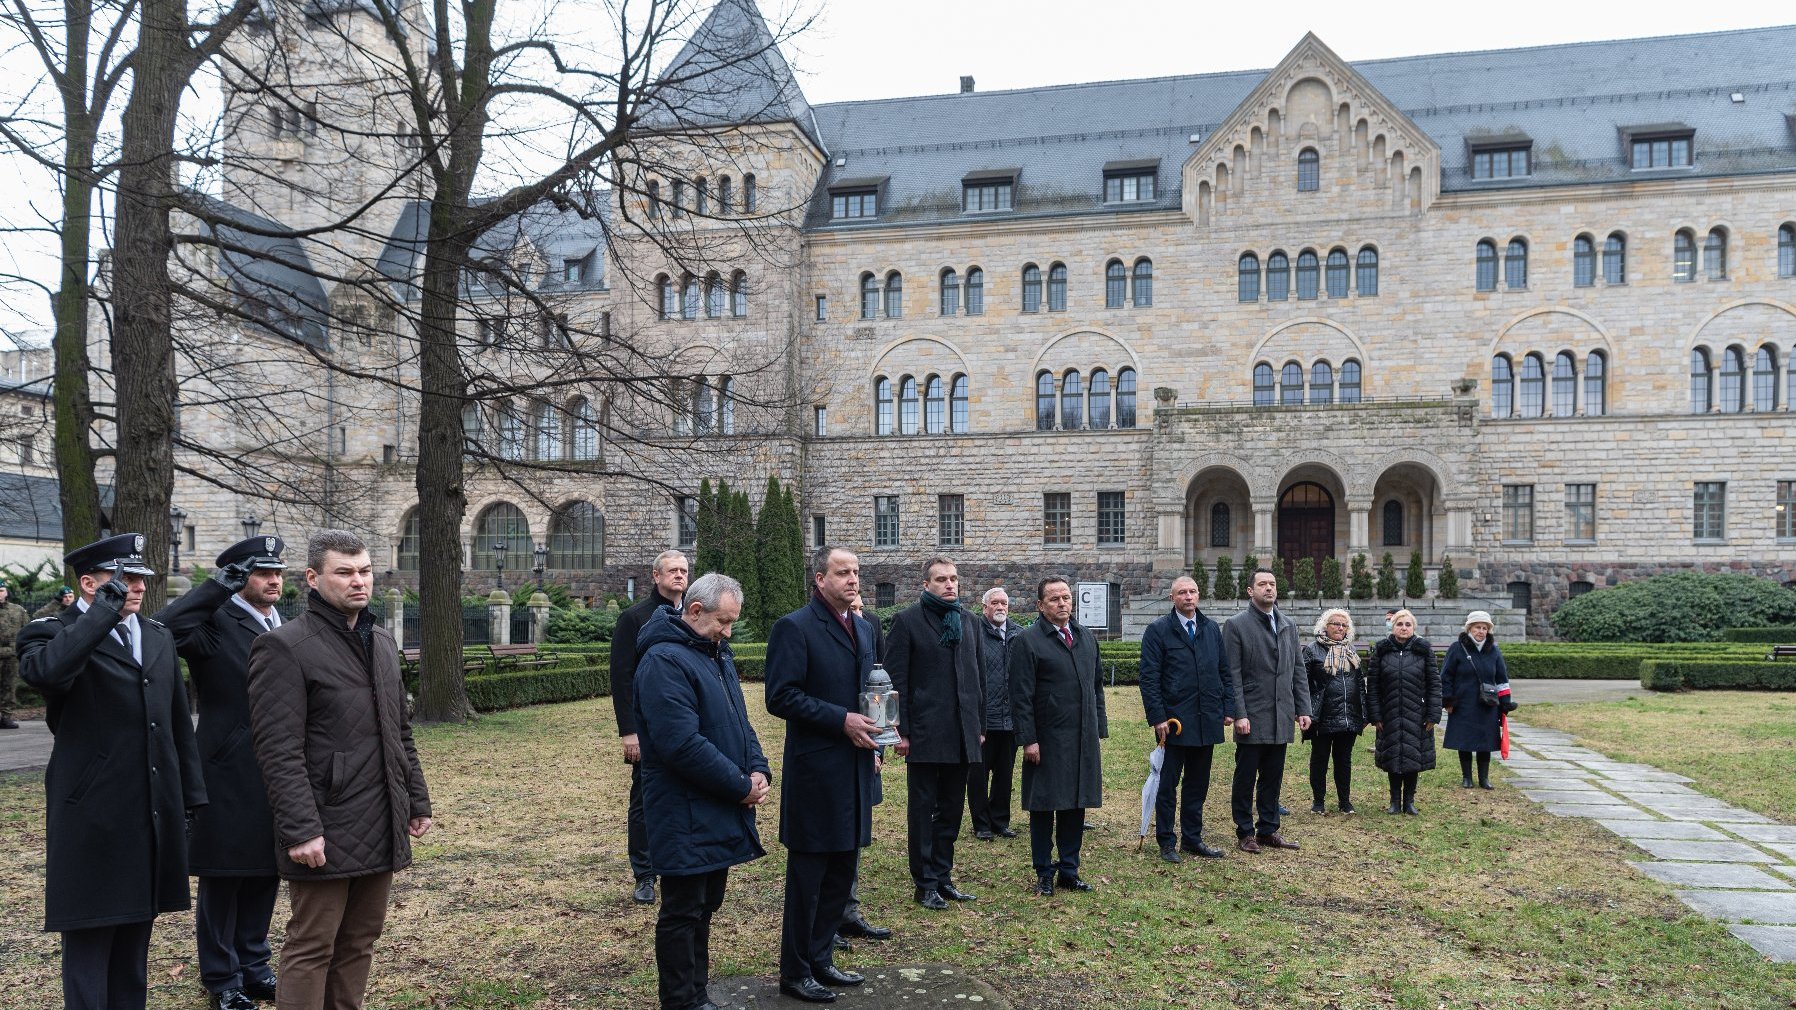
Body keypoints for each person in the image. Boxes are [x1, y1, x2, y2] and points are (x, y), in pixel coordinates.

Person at [18, 533, 207, 1010]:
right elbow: (47, 674)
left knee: (133, 939)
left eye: (141, 577)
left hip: (152, 806)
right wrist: (102, 613)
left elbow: (177, 724)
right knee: (90, 933)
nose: (136, 587)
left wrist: (191, 798)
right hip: (92, 807)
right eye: (122, 578)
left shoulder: (157, 635)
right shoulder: (49, 630)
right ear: (88, 583)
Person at [248, 530, 432, 1010]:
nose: (359, 582)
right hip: (323, 823)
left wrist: (416, 799)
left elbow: (400, 732)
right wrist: (301, 830)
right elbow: (277, 750)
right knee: (313, 944)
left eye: (365, 572)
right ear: (312, 578)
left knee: (360, 939)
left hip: (381, 814)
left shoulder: (384, 642)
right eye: (345, 572)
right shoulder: (284, 647)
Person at [155, 537, 289, 1010]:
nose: (274, 580)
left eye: (278, 571)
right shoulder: (214, 622)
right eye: (261, 573)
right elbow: (163, 630)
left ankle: (255, 967)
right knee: (224, 875)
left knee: (266, 869)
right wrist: (213, 590)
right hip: (226, 767)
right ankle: (222, 978)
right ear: (236, 577)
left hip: (278, 766)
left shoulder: (283, 623)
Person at [633, 573, 770, 1010]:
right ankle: (681, 1000)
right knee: (683, 909)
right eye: (723, 622)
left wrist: (758, 767)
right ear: (695, 611)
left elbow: (739, 722)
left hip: (717, 802)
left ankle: (698, 993)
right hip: (684, 808)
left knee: (706, 905)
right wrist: (739, 786)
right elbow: (680, 744)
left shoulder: (715, 653)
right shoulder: (664, 661)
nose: (728, 632)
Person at [764, 546, 879, 1004]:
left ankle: (821, 958)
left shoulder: (865, 627)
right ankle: (794, 971)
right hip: (816, 771)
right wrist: (841, 720)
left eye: (856, 572)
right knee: (809, 878)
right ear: (819, 578)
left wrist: (878, 732)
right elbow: (781, 696)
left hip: (856, 767)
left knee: (842, 870)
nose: (852, 580)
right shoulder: (795, 627)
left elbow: (873, 688)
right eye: (842, 573)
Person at [886, 558, 984, 910]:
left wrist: (979, 727)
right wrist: (902, 732)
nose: (950, 585)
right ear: (925, 584)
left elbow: (977, 678)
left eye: (954, 578)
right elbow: (897, 683)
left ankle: (943, 877)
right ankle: (924, 882)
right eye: (941, 579)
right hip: (925, 734)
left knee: (952, 810)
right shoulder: (907, 621)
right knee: (924, 811)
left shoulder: (969, 621)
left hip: (961, 734)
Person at [1009, 576, 1107, 896]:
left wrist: (1099, 727)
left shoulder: (1086, 638)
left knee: (1074, 805)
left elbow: (1096, 688)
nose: (1062, 603)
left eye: (1066, 597)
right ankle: (1043, 872)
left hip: (1081, 737)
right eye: (1054, 599)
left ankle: (1069, 869)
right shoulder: (1028, 641)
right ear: (1040, 605)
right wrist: (1028, 739)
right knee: (1044, 806)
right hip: (1047, 740)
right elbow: (1020, 696)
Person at [611, 550, 690, 905]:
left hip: (687, 725)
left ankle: (680, 863)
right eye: (672, 570)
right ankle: (644, 874)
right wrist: (629, 732)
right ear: (655, 576)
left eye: (684, 570)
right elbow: (621, 677)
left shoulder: (695, 614)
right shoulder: (635, 618)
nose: (679, 575)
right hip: (647, 728)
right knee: (643, 800)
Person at [1137, 575, 1233, 861]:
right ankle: (1166, 841)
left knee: (1197, 783)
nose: (1188, 597)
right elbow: (1149, 678)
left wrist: (1228, 709)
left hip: (1206, 719)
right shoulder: (1158, 631)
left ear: (1199, 596)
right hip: (1174, 723)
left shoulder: (1211, 629)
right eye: (1182, 592)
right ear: (1172, 598)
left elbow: (1224, 672)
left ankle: (1192, 838)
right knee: (1167, 784)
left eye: (1192, 592)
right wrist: (1158, 717)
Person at [1221, 568, 1311, 853]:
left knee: (1273, 777)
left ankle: (1268, 829)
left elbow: (1298, 669)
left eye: (1272, 584)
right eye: (1262, 584)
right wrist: (1239, 713)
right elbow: (1232, 673)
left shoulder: (1288, 624)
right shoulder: (1236, 625)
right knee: (1246, 777)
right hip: (1252, 715)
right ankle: (1245, 831)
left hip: (1280, 715)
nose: (1268, 588)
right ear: (1250, 591)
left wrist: (1302, 709)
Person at [836, 597, 890, 948]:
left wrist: (878, 746)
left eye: (858, 610)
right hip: (832, 752)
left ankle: (848, 912)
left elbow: (879, 694)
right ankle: (831, 918)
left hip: (864, 750)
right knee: (834, 837)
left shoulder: (869, 631)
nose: (854, 616)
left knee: (854, 835)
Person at [1365, 608, 1441, 816]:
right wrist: (1376, 715)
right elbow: (1373, 686)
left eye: (1408, 624)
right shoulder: (1381, 650)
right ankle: (1394, 801)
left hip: (1417, 714)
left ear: (1413, 627)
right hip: (1389, 714)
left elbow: (1434, 684)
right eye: (1400, 624)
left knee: (1412, 757)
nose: (1404, 628)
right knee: (1392, 757)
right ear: (1393, 626)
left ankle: (1409, 801)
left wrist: (1433, 714)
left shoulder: (1423, 650)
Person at [969, 587, 1020, 841]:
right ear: (985, 607)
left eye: (1004, 603)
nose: (1000, 607)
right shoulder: (974, 632)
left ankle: (1000, 821)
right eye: (995, 603)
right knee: (977, 774)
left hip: (1010, 719)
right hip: (983, 719)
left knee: (1004, 774)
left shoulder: (1018, 633)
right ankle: (981, 823)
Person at [1304, 608, 1366, 816]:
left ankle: (1344, 801)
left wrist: (1363, 712)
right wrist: (1305, 710)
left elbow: (1359, 683)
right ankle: (1318, 801)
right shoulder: (1313, 650)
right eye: (1335, 624)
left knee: (1344, 760)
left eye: (1344, 625)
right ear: (1325, 627)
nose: (1340, 627)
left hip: (1349, 715)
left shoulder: (1352, 650)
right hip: (1322, 715)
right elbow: (1302, 682)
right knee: (1319, 759)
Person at [1441, 610, 1507, 790]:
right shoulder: (1457, 648)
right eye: (1477, 627)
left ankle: (1484, 778)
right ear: (1469, 628)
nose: (1481, 631)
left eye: (1485, 628)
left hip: (1488, 704)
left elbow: (1502, 679)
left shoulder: (1494, 651)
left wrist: (1506, 701)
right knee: (1465, 740)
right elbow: (1445, 676)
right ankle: (1467, 777)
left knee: (1485, 741)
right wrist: (1447, 701)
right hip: (1463, 704)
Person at [0, 580, 29, 728]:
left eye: (1, 590)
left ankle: (6, 716)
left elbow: (27, 630)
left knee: (9, 686)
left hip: (12, 653)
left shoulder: (18, 610)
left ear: (6, 592)